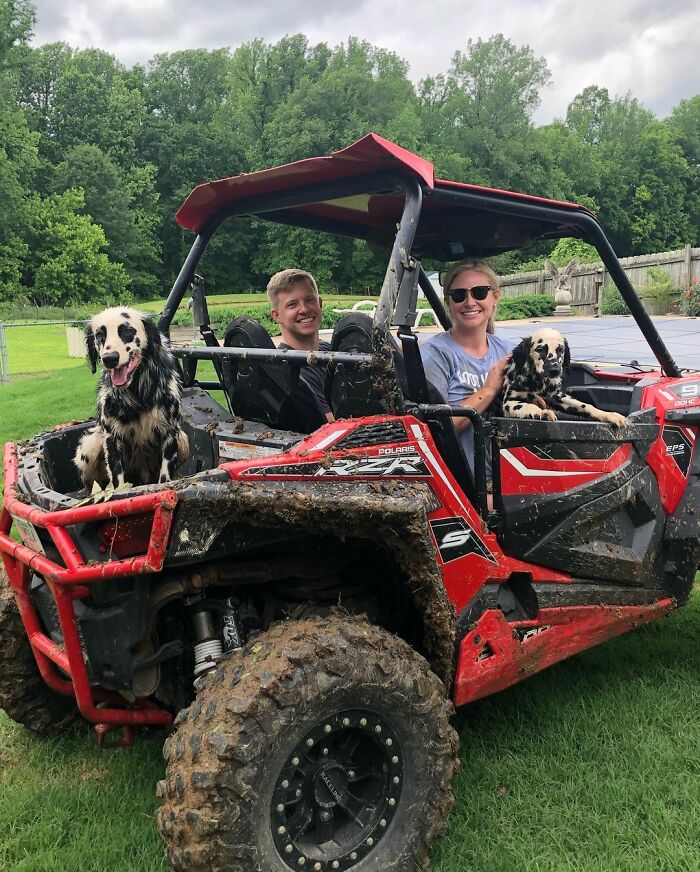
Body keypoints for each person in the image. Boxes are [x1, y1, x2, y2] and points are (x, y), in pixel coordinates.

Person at [420, 258, 513, 477]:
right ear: (449, 302)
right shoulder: (436, 354)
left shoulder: (508, 351)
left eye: (479, 292)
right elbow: (433, 430)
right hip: (463, 485)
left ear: (495, 297)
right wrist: (488, 391)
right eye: (459, 295)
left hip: (509, 476)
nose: (470, 302)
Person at [267, 268, 334, 423]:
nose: (304, 309)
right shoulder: (289, 372)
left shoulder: (330, 350)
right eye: (292, 305)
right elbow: (332, 422)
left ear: (320, 303)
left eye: (309, 300)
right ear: (277, 316)